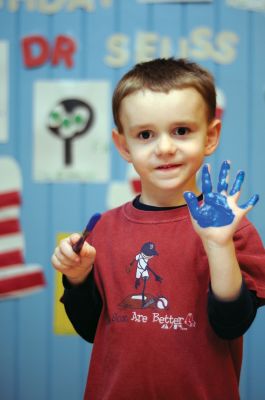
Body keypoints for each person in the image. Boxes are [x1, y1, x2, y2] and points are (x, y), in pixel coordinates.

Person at [51, 58, 265, 400]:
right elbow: (91, 329)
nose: (164, 147)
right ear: (124, 146)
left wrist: (219, 245)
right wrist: (77, 277)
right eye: (145, 134)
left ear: (210, 137)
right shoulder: (104, 230)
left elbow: (232, 323)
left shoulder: (232, 230)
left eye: (181, 130)